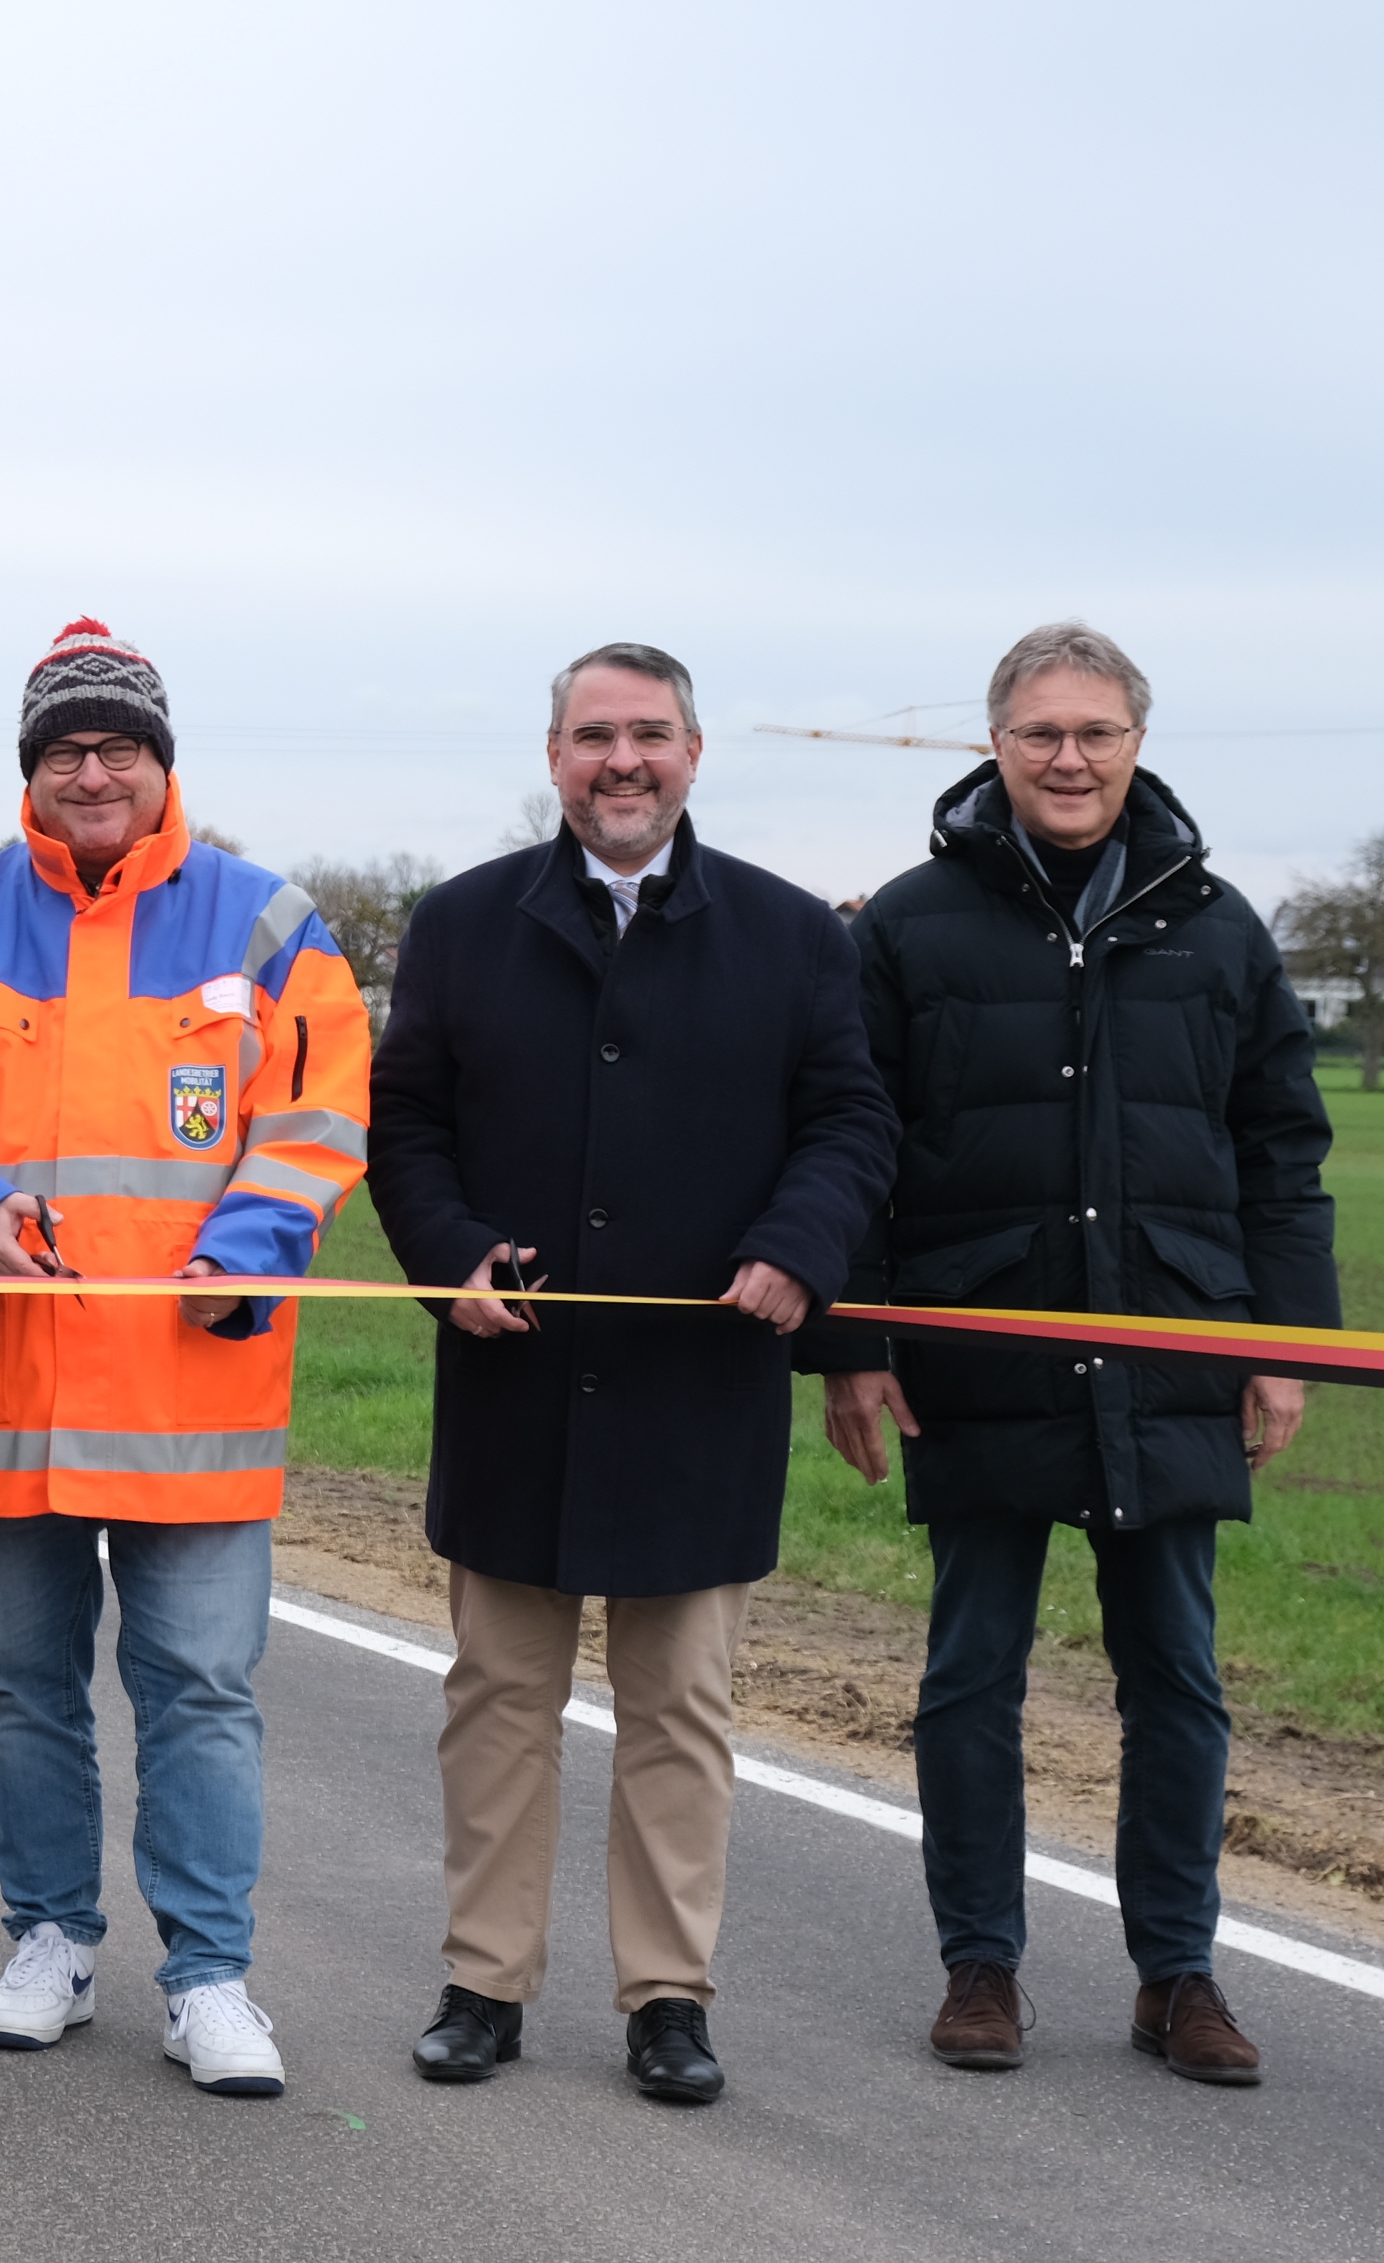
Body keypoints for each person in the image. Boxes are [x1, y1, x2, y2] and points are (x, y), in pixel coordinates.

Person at [366, 641, 893, 2106]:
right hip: (516, 1383)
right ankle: (483, 1983)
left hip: (697, 1391)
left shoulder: (794, 937)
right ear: (554, 757)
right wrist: (449, 1258)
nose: (622, 761)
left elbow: (851, 1124)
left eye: (649, 735)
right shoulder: (461, 924)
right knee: (497, 1704)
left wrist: (797, 1246)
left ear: (693, 754)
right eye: (594, 735)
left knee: (680, 1715)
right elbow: (404, 1126)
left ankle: (669, 1997)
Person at [819, 622, 1331, 2086]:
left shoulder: (1218, 927)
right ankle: (980, 1965)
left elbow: (1280, 1148)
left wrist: (1283, 1343)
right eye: (1039, 732)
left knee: (1177, 1679)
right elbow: (850, 1142)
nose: (1067, 757)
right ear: (994, 744)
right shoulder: (907, 926)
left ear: (1135, 745)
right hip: (979, 1347)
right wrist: (856, 1338)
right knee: (970, 1675)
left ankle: (1178, 1975)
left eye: (1095, 732)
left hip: (1172, 1346)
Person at [0, 620, 372, 2096]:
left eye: (117, 748)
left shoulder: (267, 924)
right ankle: (49, 1941)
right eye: (64, 751)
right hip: (8, 1389)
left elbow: (317, 1119)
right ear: (29, 769)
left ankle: (209, 1976)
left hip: (191, 1392)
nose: (91, 774)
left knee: (200, 1692)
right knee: (19, 1688)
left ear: (162, 762)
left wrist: (248, 1251)